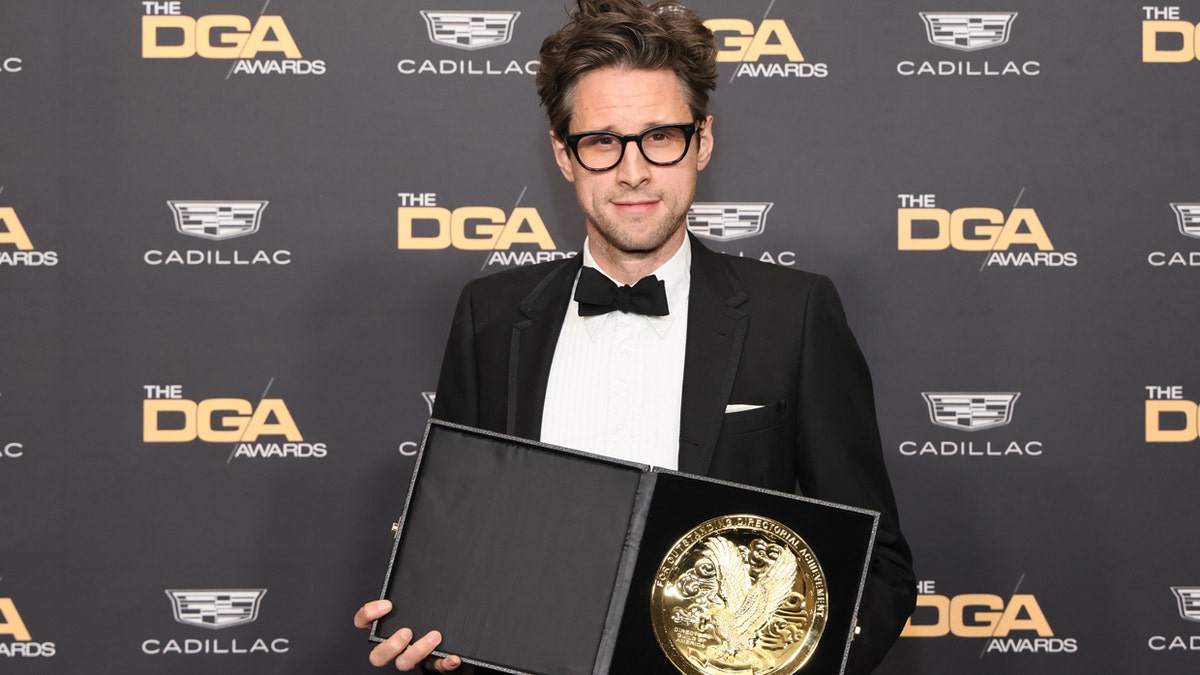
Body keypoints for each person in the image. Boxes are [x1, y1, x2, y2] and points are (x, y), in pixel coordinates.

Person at [354, 1, 916, 672]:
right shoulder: (491, 315)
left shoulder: (793, 313)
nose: (633, 171)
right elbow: (458, 538)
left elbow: (875, 563)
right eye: (602, 141)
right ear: (564, 154)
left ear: (702, 140)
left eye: (661, 136)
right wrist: (431, 625)